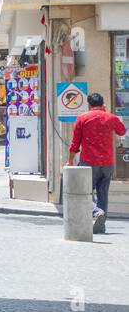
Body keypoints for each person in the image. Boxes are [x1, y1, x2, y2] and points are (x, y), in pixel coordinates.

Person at [66, 92, 126, 234]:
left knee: (84, 192)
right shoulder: (111, 117)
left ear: (89, 104)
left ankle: (95, 211)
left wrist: (70, 160)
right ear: (102, 103)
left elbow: (75, 143)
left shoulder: (82, 118)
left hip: (89, 162)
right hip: (107, 162)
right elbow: (122, 131)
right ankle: (100, 226)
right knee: (103, 193)